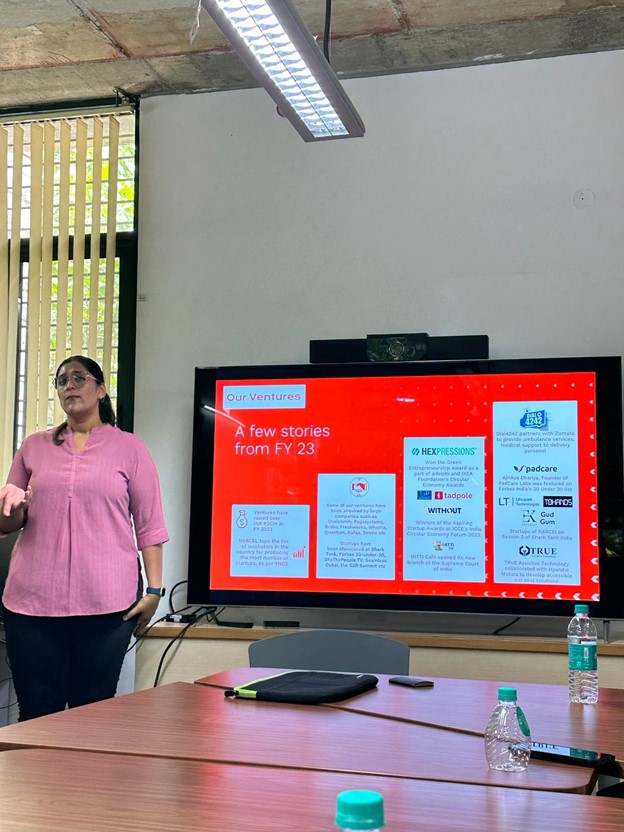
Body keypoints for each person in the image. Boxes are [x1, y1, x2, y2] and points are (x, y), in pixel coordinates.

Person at [0, 355, 168, 721]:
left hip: (107, 607)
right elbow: (9, 522)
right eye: (61, 381)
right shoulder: (33, 447)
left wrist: (155, 591)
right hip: (32, 606)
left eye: (79, 377)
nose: (69, 385)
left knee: (91, 717)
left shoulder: (130, 448)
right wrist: (11, 509)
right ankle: (33, 781)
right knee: (36, 716)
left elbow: (150, 524)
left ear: (102, 389)